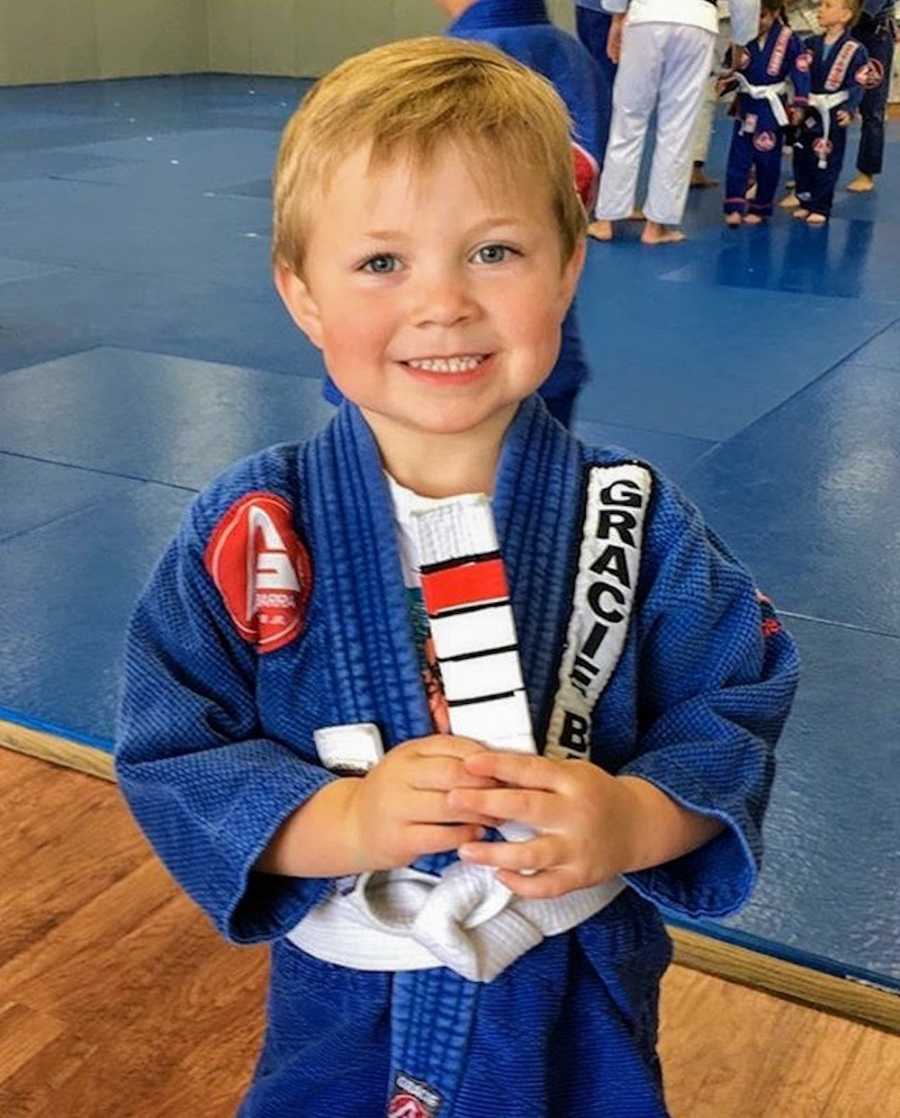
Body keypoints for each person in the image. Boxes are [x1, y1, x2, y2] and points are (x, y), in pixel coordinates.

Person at [116, 36, 799, 1117]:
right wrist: (341, 823)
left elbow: (737, 697)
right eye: (382, 262)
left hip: (573, 993)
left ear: (569, 265)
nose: (443, 304)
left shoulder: (633, 516)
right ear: (301, 291)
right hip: (346, 1002)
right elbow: (171, 747)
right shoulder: (250, 526)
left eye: (494, 251)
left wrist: (634, 818)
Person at [589, 0, 763, 245]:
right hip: (696, 20)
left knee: (628, 118)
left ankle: (607, 218)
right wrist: (742, 36)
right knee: (677, 125)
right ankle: (656, 225)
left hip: (647, 16)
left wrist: (617, 16)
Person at [719, 0, 811, 225]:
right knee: (738, 158)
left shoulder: (789, 39)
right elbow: (733, 69)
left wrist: (800, 103)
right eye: (754, 17)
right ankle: (734, 205)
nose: (758, 22)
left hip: (770, 108)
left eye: (764, 17)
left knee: (767, 160)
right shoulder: (742, 37)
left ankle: (761, 206)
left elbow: (800, 71)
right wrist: (726, 83)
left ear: (776, 13)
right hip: (746, 104)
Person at [792, 0, 872, 224]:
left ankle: (821, 206)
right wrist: (798, 103)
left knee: (827, 158)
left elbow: (859, 82)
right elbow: (799, 75)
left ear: (845, 15)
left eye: (828, 5)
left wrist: (849, 109)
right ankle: (805, 200)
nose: (821, 9)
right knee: (802, 157)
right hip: (809, 110)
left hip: (833, 113)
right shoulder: (809, 44)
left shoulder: (855, 49)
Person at [845, 0, 897, 193]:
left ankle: (866, 172)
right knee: (827, 99)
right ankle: (813, 167)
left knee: (872, 107)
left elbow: (868, 11)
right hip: (847, 29)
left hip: (874, 34)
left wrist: (840, 20)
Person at [574, 0, 619, 167]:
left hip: (591, 8)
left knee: (597, 83)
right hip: (607, 12)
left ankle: (595, 161)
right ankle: (603, 163)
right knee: (606, 87)